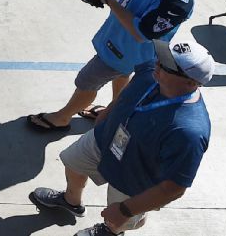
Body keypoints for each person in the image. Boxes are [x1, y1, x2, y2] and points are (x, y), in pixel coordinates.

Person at [29, 37, 213, 236]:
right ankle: (71, 201)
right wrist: (105, 116)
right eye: (160, 58)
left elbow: (174, 188)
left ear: (190, 82)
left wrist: (126, 210)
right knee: (72, 163)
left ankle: (110, 232)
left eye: (166, 65)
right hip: (105, 139)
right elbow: (125, 94)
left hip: (134, 178)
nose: (157, 64)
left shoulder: (189, 132)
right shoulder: (151, 72)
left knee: (116, 219)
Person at [26, 0, 195, 133]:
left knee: (87, 80)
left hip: (130, 50)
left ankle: (62, 118)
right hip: (117, 38)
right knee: (122, 76)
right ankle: (117, 110)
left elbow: (142, 33)